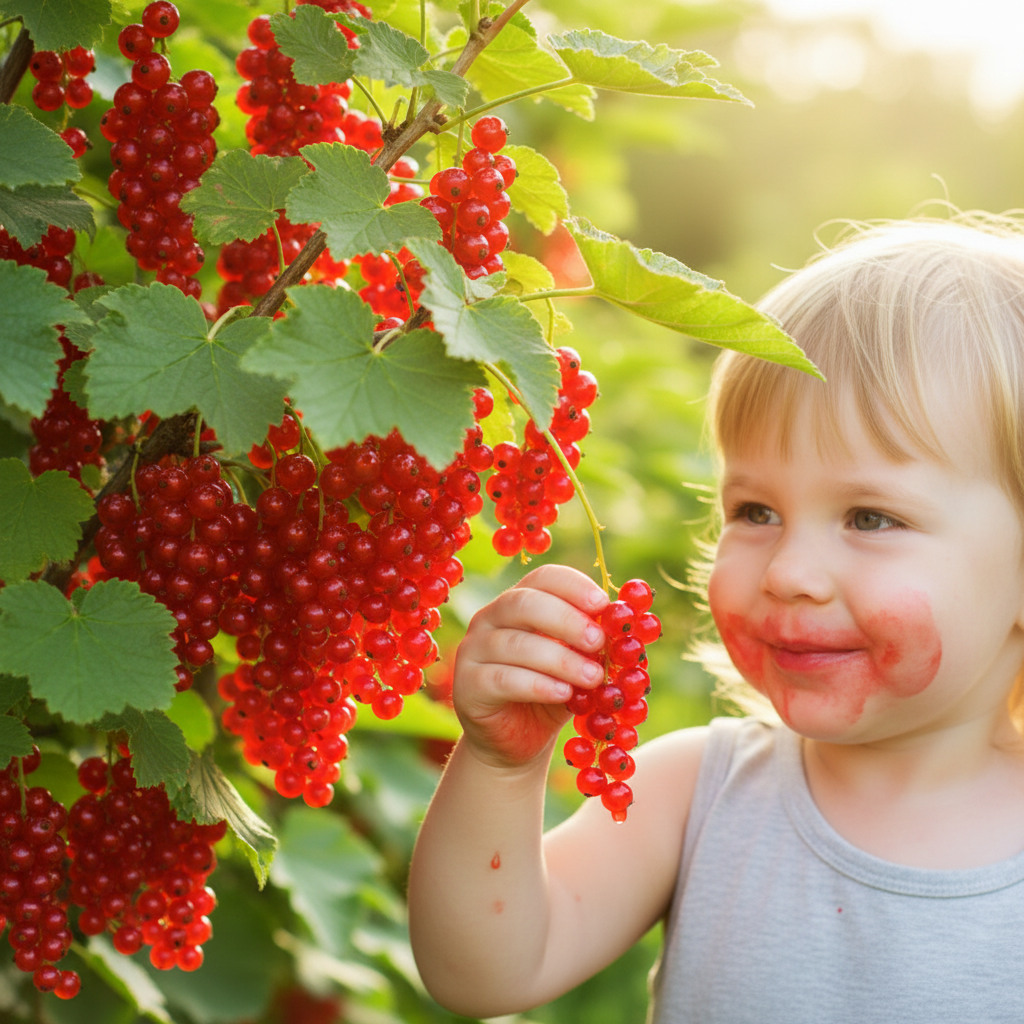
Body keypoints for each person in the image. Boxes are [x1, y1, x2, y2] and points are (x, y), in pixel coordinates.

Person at [407, 214, 1024, 1022]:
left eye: (871, 518)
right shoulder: (697, 793)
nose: (790, 573)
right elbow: (483, 974)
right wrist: (501, 769)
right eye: (756, 509)